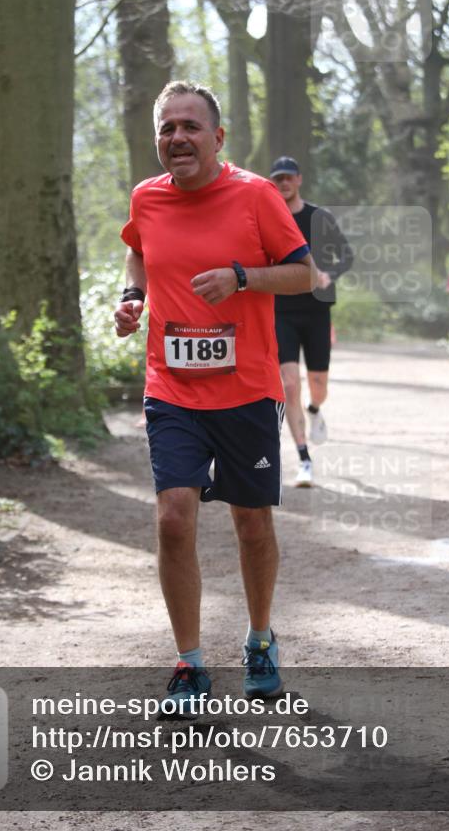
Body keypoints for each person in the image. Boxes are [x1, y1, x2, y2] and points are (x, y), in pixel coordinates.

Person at [114, 81, 312, 713]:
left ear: (217, 137)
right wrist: (132, 300)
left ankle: (259, 639)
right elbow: (139, 258)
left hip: (247, 389)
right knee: (174, 516)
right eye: (167, 128)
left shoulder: (255, 195)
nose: (178, 138)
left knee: (250, 522)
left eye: (190, 127)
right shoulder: (147, 199)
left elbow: (305, 272)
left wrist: (242, 277)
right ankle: (190, 664)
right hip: (170, 387)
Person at [269, 156, 353, 488]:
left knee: (318, 385)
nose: (284, 183)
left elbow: (347, 254)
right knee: (289, 383)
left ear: (299, 179)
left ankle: (315, 409)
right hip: (281, 311)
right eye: (278, 179)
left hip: (317, 310)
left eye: (289, 177)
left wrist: (329, 274)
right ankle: (304, 460)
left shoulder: (319, 217)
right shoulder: (270, 219)